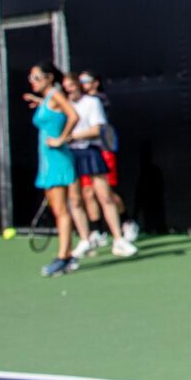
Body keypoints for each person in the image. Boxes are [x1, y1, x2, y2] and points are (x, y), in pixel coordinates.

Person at [64, 72, 136, 259]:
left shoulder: (94, 101)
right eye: (65, 86)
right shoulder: (63, 105)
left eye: (71, 85)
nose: (68, 89)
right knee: (77, 198)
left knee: (105, 195)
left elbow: (97, 129)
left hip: (93, 151)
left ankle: (119, 238)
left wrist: (72, 136)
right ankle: (86, 239)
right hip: (71, 155)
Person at [24, 65, 83, 277]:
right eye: (31, 77)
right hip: (46, 161)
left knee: (61, 210)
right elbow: (53, 110)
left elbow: (73, 115)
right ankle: (66, 255)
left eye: (37, 77)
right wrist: (39, 101)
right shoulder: (49, 97)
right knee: (58, 210)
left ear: (49, 78)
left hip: (57, 159)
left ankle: (64, 257)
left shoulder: (56, 94)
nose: (33, 80)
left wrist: (61, 138)